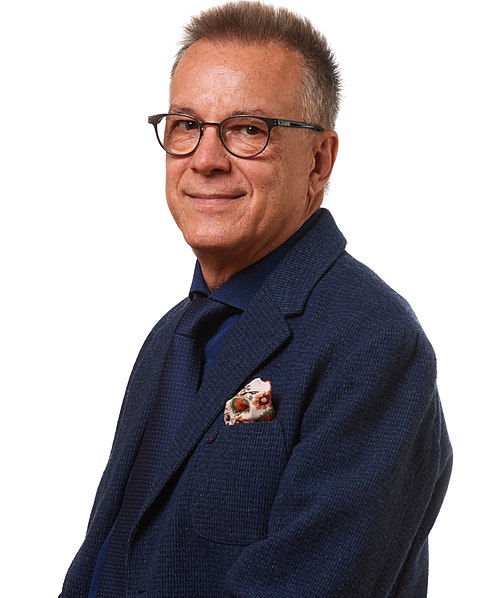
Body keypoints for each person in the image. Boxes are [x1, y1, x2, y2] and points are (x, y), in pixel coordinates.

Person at [60, 2, 452, 596]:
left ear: (319, 161)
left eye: (248, 130)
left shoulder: (372, 342)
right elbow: (106, 558)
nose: (205, 160)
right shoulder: (172, 338)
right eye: (186, 124)